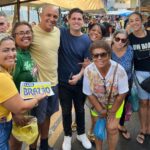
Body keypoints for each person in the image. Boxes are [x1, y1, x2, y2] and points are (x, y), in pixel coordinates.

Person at [0, 34, 46, 150]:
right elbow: (20, 107)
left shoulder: (5, 72)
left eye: (12, 49)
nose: (11, 54)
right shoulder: (2, 78)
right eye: (5, 50)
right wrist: (37, 98)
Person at [83, 40, 129, 150]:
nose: (99, 58)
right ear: (92, 57)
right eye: (95, 55)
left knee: (112, 128)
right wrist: (100, 110)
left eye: (103, 54)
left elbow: (122, 94)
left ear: (109, 54)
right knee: (98, 128)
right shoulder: (89, 70)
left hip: (115, 103)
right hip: (96, 103)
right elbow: (89, 93)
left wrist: (112, 112)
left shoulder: (119, 70)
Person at [58, 8, 92, 150]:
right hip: (63, 83)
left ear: (83, 21)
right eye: (74, 18)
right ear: (68, 20)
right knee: (66, 111)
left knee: (80, 110)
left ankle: (81, 133)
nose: (76, 21)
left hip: (80, 83)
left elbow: (86, 63)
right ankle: (67, 136)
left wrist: (79, 76)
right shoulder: (60, 34)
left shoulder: (86, 39)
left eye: (79, 19)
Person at [30, 4, 60, 150]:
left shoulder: (58, 32)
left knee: (47, 116)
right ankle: (32, 147)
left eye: (55, 16)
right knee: (36, 119)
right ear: (41, 15)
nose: (51, 19)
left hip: (53, 82)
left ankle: (44, 144)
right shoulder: (31, 33)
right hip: (38, 86)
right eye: (48, 15)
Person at [9, 21, 37, 150]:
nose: (25, 35)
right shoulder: (16, 57)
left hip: (28, 104)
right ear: (14, 36)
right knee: (16, 141)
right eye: (21, 33)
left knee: (23, 135)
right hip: (18, 107)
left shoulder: (29, 53)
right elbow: (9, 86)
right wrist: (15, 113)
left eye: (28, 32)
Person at [128, 12, 150, 144]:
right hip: (140, 74)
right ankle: (143, 129)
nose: (135, 23)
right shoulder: (129, 38)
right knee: (144, 102)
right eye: (131, 21)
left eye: (137, 20)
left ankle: (149, 128)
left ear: (142, 21)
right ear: (129, 23)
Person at [111, 29, 133, 140]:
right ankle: (110, 125)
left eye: (123, 40)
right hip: (111, 84)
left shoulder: (130, 50)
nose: (120, 42)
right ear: (113, 38)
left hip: (126, 83)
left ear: (126, 41)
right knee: (110, 104)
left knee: (123, 105)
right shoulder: (108, 49)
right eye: (117, 39)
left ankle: (121, 124)